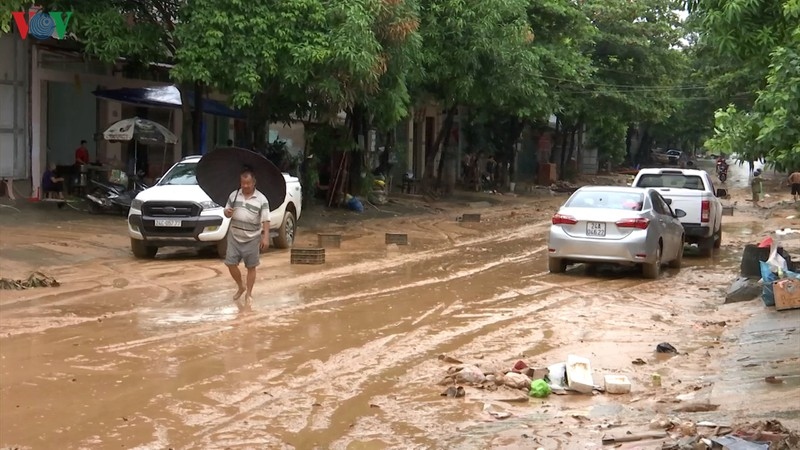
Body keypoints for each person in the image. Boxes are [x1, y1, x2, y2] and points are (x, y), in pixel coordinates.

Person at [224, 169, 270, 311]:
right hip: (234, 235)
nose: (245, 186)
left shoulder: (262, 199)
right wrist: (227, 212)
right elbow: (226, 212)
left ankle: (249, 294)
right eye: (243, 183)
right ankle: (240, 286)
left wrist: (266, 237)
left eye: (248, 183)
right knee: (230, 263)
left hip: (252, 238)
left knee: (251, 266)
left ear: (254, 183)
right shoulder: (234, 195)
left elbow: (266, 220)